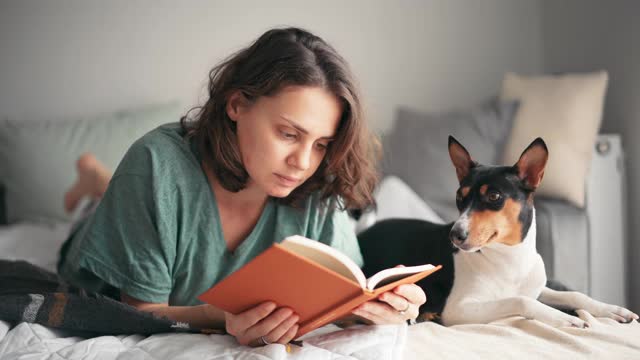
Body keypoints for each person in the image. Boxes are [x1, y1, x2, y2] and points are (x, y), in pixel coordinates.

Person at [57, 27, 427, 347]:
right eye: (287, 134)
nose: (302, 162)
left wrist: (379, 312)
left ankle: (97, 179)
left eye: (320, 144)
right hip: (106, 236)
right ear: (236, 105)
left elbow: (341, 302)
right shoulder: (155, 165)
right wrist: (222, 319)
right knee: (129, 194)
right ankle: (96, 180)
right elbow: (141, 313)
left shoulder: (317, 180)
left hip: (152, 210)